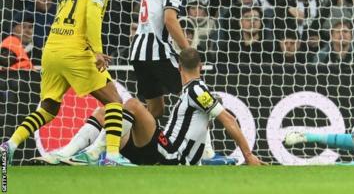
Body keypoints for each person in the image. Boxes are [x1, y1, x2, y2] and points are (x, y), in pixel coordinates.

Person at [1, 0, 134, 166]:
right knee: (114, 100)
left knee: (48, 108)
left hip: (51, 51)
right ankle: (112, 156)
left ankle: (10, 145)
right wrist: (97, 51)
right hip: (75, 52)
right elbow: (91, 17)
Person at [70, 48, 264, 166]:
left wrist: (248, 155)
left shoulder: (197, 90)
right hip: (160, 149)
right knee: (106, 112)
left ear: (179, 67)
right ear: (201, 67)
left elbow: (227, 119)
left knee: (133, 104)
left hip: (172, 154)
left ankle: (96, 152)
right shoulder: (192, 91)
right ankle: (70, 154)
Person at [129, 0, 190, 118]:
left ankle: (128, 142)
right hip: (156, 51)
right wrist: (188, 51)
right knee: (195, 93)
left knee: (155, 111)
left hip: (138, 51)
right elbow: (170, 20)